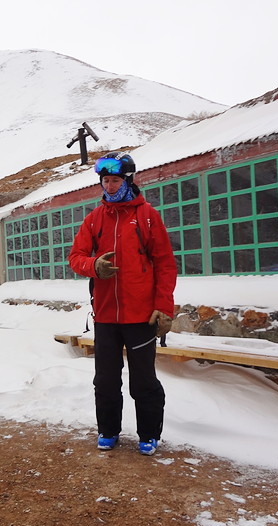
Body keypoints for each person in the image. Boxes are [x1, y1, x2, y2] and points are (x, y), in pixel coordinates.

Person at [69, 151, 177, 456]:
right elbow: (75, 257)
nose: (110, 185)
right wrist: (94, 266)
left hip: (141, 316)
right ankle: (108, 431)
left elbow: (165, 264)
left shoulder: (147, 216)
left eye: (115, 179)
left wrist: (164, 308)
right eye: (106, 180)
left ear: (127, 180)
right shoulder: (94, 219)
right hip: (105, 316)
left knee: (143, 381)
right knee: (105, 380)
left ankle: (148, 434)